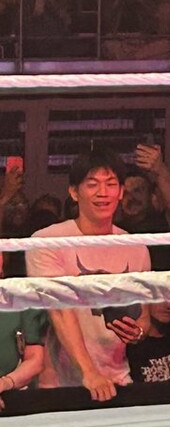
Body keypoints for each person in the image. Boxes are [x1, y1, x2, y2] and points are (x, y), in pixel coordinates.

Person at [26, 146, 150, 401]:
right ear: (74, 192)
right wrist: (90, 372)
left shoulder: (136, 246)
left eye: (110, 184)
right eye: (92, 184)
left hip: (119, 378)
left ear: (121, 192)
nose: (102, 192)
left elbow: (144, 317)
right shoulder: (47, 240)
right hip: (62, 383)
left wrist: (137, 332)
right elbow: (60, 311)